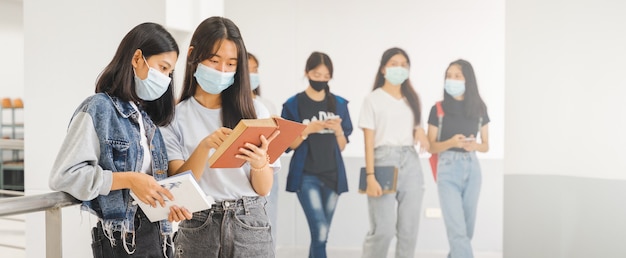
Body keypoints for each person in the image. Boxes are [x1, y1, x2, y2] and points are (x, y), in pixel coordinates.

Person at [49, 22, 192, 258]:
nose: (166, 79)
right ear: (137, 58)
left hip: (157, 236)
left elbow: (149, 186)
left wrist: (168, 206)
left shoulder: (146, 119)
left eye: (170, 73)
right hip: (121, 241)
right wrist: (130, 180)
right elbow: (65, 176)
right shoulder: (98, 108)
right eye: (162, 67)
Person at [159, 16, 279, 258]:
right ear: (194, 55)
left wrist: (259, 164)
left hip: (249, 222)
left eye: (231, 64)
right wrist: (204, 147)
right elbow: (180, 184)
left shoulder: (256, 113)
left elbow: (264, 188)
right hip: (199, 223)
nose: (222, 71)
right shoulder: (174, 117)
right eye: (214, 61)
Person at [281, 51, 353, 258]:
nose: (321, 79)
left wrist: (338, 130)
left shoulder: (339, 104)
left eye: (325, 75)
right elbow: (288, 145)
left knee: (321, 234)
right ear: (306, 73)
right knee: (320, 230)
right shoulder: (293, 105)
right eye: (316, 74)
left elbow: (341, 146)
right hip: (306, 176)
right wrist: (306, 130)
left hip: (333, 175)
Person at [358, 47, 429, 258]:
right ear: (383, 69)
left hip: (411, 162)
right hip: (382, 162)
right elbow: (368, 142)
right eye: (394, 64)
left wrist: (422, 132)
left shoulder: (413, 99)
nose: (400, 68)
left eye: (404, 65)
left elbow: (418, 129)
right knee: (383, 230)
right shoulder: (372, 99)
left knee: (409, 231)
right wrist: (370, 176)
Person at [427, 59, 489, 258]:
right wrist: (452, 142)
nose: (451, 80)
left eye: (457, 76)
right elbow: (431, 146)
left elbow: (486, 145)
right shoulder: (437, 109)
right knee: (458, 233)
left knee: (466, 232)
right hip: (447, 169)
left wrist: (474, 145)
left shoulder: (479, 108)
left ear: (467, 80)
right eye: (449, 76)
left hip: (472, 169)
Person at [248, 52, 280, 248]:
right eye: (248, 69)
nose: (252, 74)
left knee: (270, 212)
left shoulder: (264, 106)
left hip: (268, 163)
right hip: (247, 168)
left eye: (255, 70)